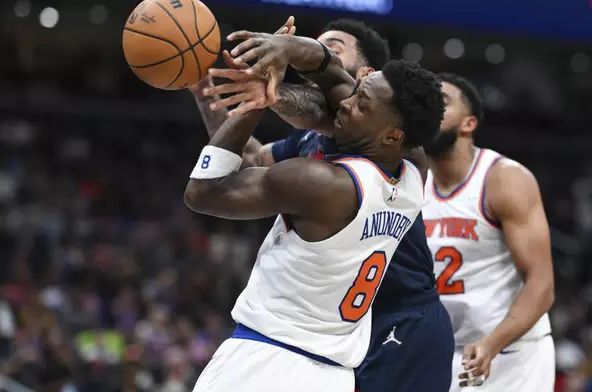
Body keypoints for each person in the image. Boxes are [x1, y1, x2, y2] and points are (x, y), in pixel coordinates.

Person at [196, 19, 454, 392]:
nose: (348, 102)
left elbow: (205, 191)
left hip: (280, 355)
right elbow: (326, 73)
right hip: (335, 367)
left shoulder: (322, 182)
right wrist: (213, 86)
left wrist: (256, 102)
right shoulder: (411, 168)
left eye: (361, 99)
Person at [421, 73, 555, 391]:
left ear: (468, 124)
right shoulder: (411, 181)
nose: (428, 110)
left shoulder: (504, 180)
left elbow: (542, 283)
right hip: (442, 352)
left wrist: (493, 343)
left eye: (440, 103)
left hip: (510, 353)